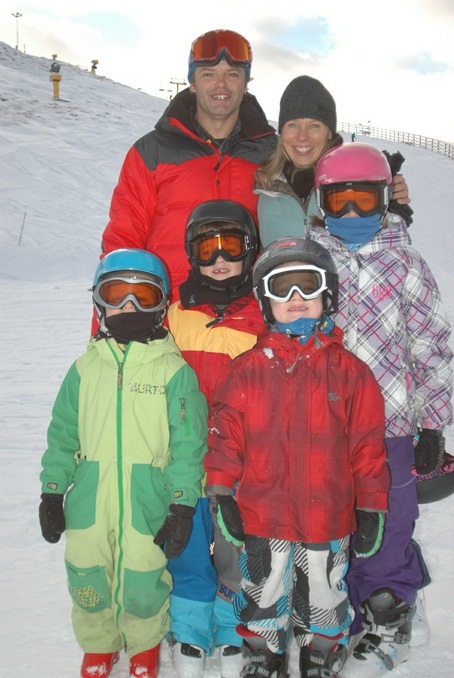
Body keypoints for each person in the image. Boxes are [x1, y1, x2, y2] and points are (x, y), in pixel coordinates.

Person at [204, 237, 391, 678]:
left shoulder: (350, 372)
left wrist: (370, 504)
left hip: (327, 517)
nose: (296, 300)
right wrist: (221, 491)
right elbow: (224, 438)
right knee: (262, 590)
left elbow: (368, 445)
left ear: (328, 295)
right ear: (264, 301)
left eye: (307, 287)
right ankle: (263, 654)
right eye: (281, 289)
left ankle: (319, 653)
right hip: (262, 516)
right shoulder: (246, 370)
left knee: (324, 593)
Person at [305, 143, 453, 676]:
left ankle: (389, 614)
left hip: (389, 429)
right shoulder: (309, 262)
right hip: (324, 428)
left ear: (385, 199)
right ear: (321, 202)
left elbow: (433, 346)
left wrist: (432, 422)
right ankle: (333, 615)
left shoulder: (406, 263)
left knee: (388, 524)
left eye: (363, 201)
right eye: (338, 201)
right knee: (329, 523)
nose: (349, 214)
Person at [39, 249, 208, 678]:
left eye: (142, 296)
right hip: (89, 498)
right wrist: (53, 492)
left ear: (160, 304)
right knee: (87, 571)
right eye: (117, 294)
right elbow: (63, 434)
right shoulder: (84, 369)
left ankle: (145, 643)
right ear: (99, 302)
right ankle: (99, 643)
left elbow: (190, 445)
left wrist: (182, 503)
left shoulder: (175, 372)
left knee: (143, 574)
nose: (128, 307)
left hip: (146, 497)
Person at [99, 28, 277, 315]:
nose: (221, 83)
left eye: (233, 74)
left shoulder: (271, 153)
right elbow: (123, 243)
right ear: (192, 83)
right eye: (208, 73)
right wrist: (115, 327)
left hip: (251, 321)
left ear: (246, 84)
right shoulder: (152, 152)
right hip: (170, 321)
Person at [165, 199, 265, 677]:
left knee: (236, 548)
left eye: (231, 245)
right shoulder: (174, 314)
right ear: (191, 252)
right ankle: (188, 625)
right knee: (185, 544)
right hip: (184, 460)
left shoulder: (265, 315)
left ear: (250, 250)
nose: (220, 257)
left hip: (242, 466)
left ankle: (230, 625)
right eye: (207, 247)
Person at [254, 75, 413, 248]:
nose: (302, 136)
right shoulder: (264, 184)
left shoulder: (358, 183)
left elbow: (385, 249)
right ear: (282, 131)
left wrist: (390, 204)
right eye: (293, 125)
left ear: (329, 132)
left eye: (314, 125)